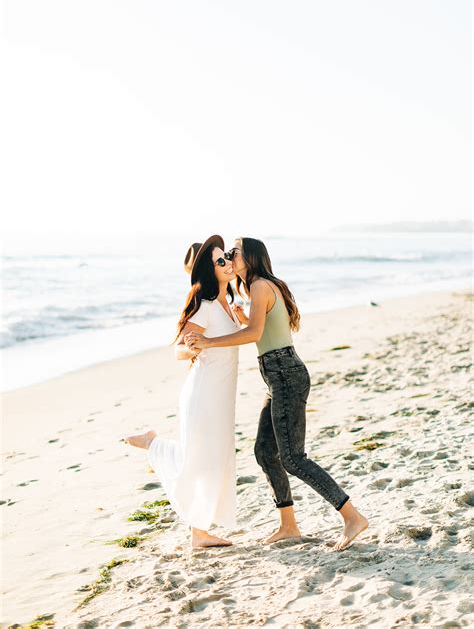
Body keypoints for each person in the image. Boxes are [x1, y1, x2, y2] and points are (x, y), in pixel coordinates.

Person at [185, 237, 368, 551]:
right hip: (279, 375)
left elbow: (255, 334)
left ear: (251, 257)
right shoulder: (263, 285)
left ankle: (351, 516)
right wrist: (244, 319)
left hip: (285, 374)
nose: (229, 257)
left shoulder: (260, 286)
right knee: (265, 452)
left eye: (233, 253)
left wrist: (209, 343)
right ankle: (288, 525)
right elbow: (265, 327)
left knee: (293, 459)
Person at [124, 235, 241, 548]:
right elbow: (179, 350)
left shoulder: (226, 305)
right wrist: (192, 348)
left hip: (221, 394)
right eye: (220, 261)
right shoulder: (203, 306)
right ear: (209, 269)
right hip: (203, 394)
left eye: (227, 257)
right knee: (199, 460)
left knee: (214, 458)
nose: (228, 264)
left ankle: (199, 532)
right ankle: (153, 444)